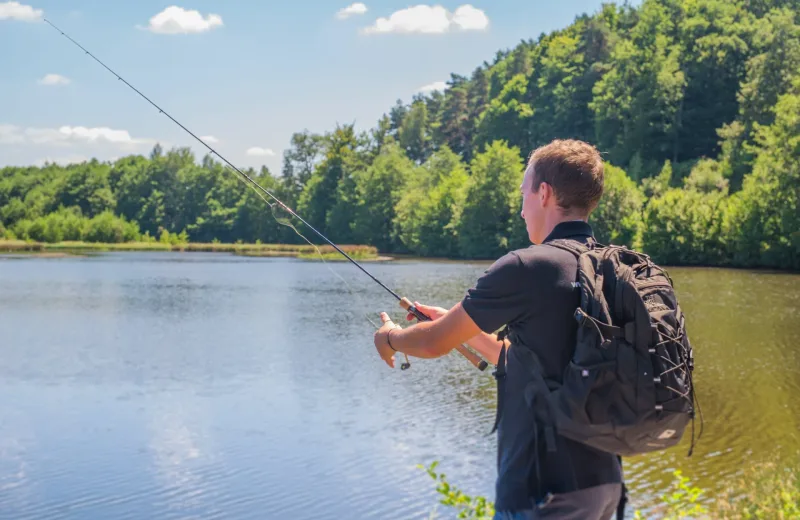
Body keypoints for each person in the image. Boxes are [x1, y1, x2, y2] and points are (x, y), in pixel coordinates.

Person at [373, 139, 624, 519]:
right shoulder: (610, 267)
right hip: (605, 482)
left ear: (544, 193)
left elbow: (435, 344)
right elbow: (537, 360)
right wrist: (456, 324)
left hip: (544, 491)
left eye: (524, 193)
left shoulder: (526, 267)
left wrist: (389, 338)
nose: (521, 209)